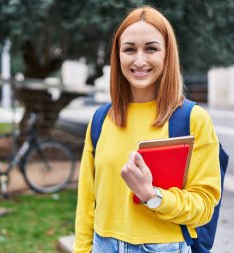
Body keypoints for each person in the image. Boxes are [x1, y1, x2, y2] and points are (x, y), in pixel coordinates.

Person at [73, 5, 221, 253]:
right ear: (118, 55)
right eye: (129, 49)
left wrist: (152, 195)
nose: (139, 60)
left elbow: (204, 207)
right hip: (102, 246)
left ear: (167, 54)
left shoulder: (192, 119)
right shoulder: (100, 119)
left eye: (151, 48)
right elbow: (87, 201)